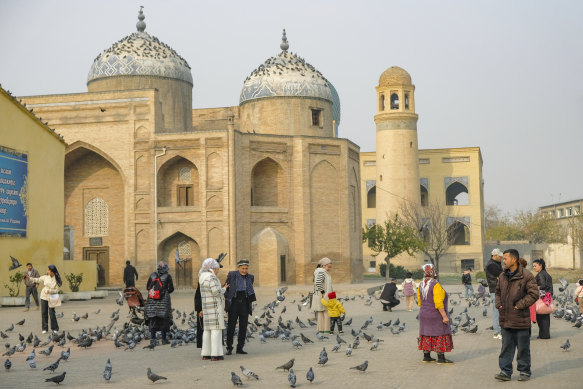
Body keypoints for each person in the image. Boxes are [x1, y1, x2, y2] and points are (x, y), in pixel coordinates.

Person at [494, 249, 539, 382]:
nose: (503, 260)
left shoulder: (526, 275)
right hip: (505, 319)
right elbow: (497, 292)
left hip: (521, 319)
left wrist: (519, 305)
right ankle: (505, 372)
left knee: (523, 348)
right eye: (503, 258)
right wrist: (499, 304)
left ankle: (524, 371)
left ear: (514, 260)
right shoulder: (502, 276)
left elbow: (534, 294)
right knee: (506, 347)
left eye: (506, 258)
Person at [417, 263, 454, 364]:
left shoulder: (421, 284)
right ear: (433, 272)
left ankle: (426, 356)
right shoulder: (435, 285)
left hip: (424, 314)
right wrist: (445, 316)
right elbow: (438, 303)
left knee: (426, 334)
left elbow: (419, 301)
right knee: (439, 334)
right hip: (435, 315)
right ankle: (441, 358)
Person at [224, 259, 256, 355]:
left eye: (246, 268)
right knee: (231, 326)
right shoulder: (232, 275)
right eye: (243, 268)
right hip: (234, 303)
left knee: (243, 326)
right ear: (238, 268)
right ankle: (229, 347)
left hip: (245, 303)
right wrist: (228, 298)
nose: (244, 270)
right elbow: (225, 287)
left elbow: (249, 289)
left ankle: (240, 348)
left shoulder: (250, 277)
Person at [198, 257, 227, 361]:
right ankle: (216, 354)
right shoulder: (212, 278)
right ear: (212, 268)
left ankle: (206, 353)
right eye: (217, 269)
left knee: (207, 330)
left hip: (206, 306)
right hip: (215, 307)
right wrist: (224, 289)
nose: (217, 271)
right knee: (216, 330)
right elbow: (216, 292)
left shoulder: (202, 277)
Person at [24, 264, 62, 334]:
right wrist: (29, 278)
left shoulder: (57, 279)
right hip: (44, 296)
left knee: (52, 313)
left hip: (52, 297)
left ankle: (55, 328)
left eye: (48, 270)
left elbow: (57, 290)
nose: (47, 271)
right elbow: (38, 279)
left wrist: (50, 291)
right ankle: (44, 328)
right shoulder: (45, 277)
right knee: (44, 312)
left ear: (52, 271)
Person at [144, 261, 174, 346]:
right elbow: (171, 288)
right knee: (163, 319)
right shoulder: (168, 276)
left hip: (152, 301)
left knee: (153, 319)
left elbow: (148, 287)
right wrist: (163, 291)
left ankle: (153, 339)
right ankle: (164, 339)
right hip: (163, 301)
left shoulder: (152, 275)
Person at [532, 258, 553, 339]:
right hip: (547, 298)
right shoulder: (545, 273)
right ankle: (545, 334)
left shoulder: (540, 274)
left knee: (541, 316)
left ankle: (544, 335)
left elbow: (542, 286)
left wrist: (533, 286)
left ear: (540, 265)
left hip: (542, 298)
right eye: (533, 266)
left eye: (535, 266)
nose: (534, 267)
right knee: (545, 316)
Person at [310, 257, 333, 333]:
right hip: (322, 295)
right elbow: (318, 283)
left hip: (320, 295)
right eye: (328, 267)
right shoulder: (322, 272)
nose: (329, 268)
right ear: (323, 265)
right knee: (326, 312)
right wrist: (323, 293)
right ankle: (326, 329)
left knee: (320, 312)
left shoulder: (320, 272)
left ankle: (321, 329)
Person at [486, 248, 504, 340]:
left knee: (499, 311)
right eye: (500, 256)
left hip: (498, 290)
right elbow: (502, 275)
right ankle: (497, 332)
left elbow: (501, 276)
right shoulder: (491, 265)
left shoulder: (496, 263)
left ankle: (499, 330)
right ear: (495, 255)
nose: (501, 258)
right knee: (497, 311)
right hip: (495, 290)